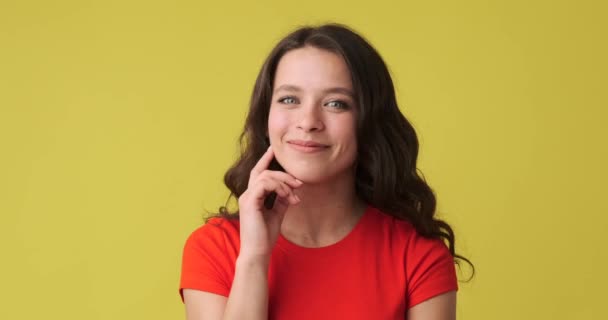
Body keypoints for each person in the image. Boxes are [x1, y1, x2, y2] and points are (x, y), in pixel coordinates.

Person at [179, 23, 473, 320]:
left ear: (369, 121)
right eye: (289, 99)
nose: (308, 122)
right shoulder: (214, 248)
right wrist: (254, 257)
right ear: (266, 116)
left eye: (336, 104)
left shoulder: (417, 253)